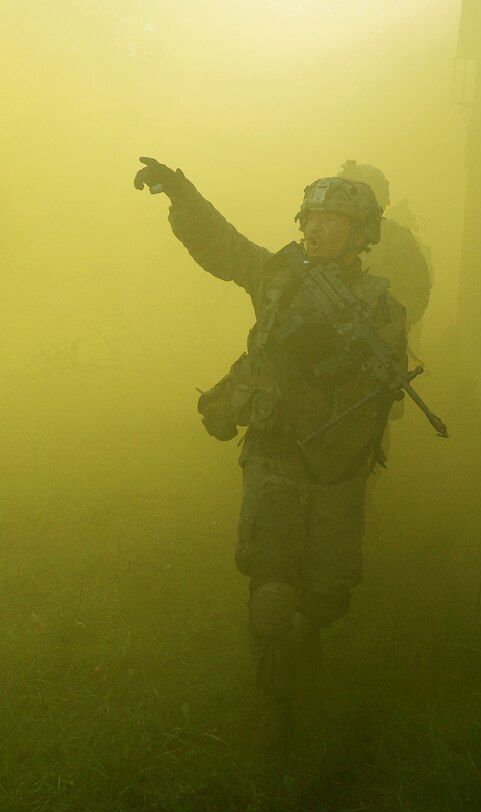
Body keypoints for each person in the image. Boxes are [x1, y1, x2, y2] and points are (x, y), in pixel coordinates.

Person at [134, 158, 407, 749]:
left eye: (334, 221)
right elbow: (221, 246)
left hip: (337, 469)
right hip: (275, 455)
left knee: (328, 599)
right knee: (273, 588)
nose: (317, 230)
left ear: (362, 234)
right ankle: (276, 708)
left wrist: (331, 358)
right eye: (312, 217)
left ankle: (304, 641)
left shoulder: (381, 309)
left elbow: (387, 386)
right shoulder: (278, 274)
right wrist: (180, 191)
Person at [337, 161, 432, 353]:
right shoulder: (330, 237)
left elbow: (418, 294)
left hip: (380, 350)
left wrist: (381, 323)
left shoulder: (399, 241)